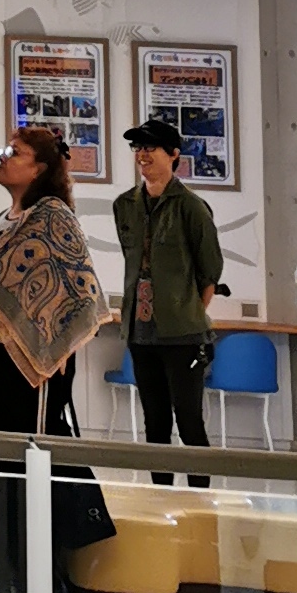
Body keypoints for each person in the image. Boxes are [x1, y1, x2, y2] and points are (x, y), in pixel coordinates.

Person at [0, 125, 96, 593]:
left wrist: (55, 352)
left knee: (20, 466)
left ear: (40, 168)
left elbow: (78, 290)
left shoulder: (52, 218)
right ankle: (9, 571)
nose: (4, 157)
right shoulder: (1, 222)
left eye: (15, 152)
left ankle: (33, 579)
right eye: (3, 149)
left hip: (23, 369)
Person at [116, 113, 226, 485]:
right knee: (155, 423)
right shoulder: (125, 205)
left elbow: (209, 271)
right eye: (138, 148)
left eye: (151, 148)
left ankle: (200, 502)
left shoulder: (192, 207)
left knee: (190, 422)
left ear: (173, 154)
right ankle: (160, 497)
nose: (143, 155)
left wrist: (187, 313)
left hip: (184, 335)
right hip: (140, 332)